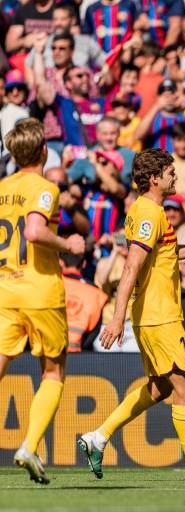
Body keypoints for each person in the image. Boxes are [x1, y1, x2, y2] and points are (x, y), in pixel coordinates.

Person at [77, 148, 185, 483]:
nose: (176, 176)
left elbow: (166, 254)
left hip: (153, 314)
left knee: (161, 388)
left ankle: (98, 437)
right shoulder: (149, 212)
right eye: (171, 172)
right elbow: (132, 264)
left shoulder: (150, 212)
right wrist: (117, 318)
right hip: (160, 315)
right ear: (154, 179)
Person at [0, 118, 85, 484]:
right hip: (40, 291)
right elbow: (34, 231)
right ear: (43, 151)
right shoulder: (45, 187)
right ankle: (29, 445)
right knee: (53, 371)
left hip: (5, 289)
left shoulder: (2, 188)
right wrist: (69, 245)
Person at [59, 250, 109, 352]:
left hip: (49, 354)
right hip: (81, 358)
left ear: (60, 262)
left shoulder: (51, 286)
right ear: (84, 264)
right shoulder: (96, 293)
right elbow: (94, 332)